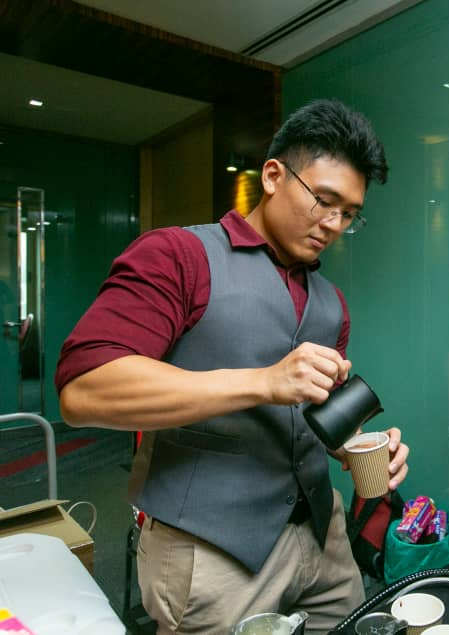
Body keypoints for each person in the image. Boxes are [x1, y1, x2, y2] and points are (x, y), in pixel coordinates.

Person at [55, 99, 410, 633]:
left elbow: (310, 418)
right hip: (211, 554)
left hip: (323, 538)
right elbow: (84, 391)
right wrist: (264, 382)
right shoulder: (179, 255)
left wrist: (355, 446)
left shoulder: (330, 301)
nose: (333, 224)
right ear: (273, 176)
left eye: (349, 214)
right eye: (324, 201)